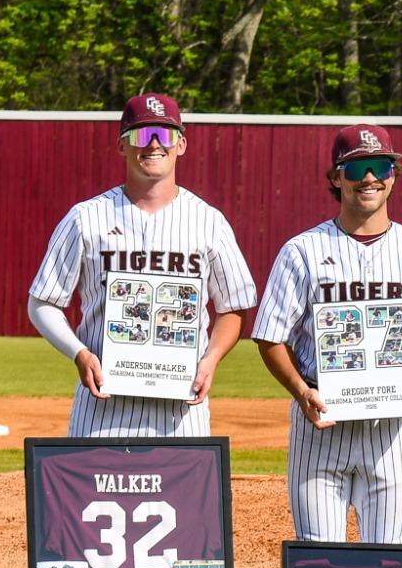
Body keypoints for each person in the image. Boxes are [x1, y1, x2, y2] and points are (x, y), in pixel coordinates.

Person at [252, 124, 402, 542]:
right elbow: (270, 336)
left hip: (391, 432)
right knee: (317, 555)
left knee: (390, 555)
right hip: (320, 427)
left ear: (393, 175)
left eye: (380, 166)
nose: (369, 178)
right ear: (335, 177)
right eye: (355, 168)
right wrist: (300, 390)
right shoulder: (301, 251)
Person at [27, 94, 257, 437]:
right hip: (101, 411)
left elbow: (234, 306)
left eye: (164, 134)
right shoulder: (86, 218)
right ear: (122, 146)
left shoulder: (209, 221)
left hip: (181, 413)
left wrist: (211, 360)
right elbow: (42, 302)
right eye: (141, 134)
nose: (153, 144)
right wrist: (79, 353)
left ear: (181, 144)